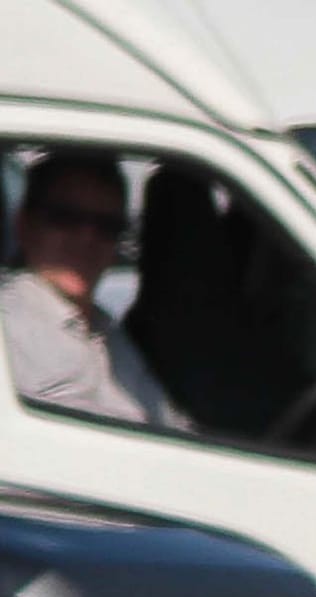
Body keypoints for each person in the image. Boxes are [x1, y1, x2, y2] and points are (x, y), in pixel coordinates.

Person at [0, 151, 184, 428]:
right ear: (25, 225)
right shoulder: (9, 326)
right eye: (66, 218)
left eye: (107, 226)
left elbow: (174, 427)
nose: (87, 238)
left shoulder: (106, 328)